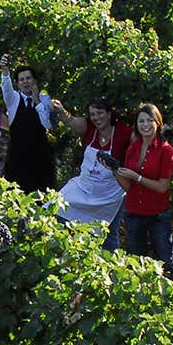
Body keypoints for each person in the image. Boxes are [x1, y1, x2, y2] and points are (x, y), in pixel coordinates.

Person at [52, 96, 132, 250]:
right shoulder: (89, 128)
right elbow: (70, 120)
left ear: (109, 114)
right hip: (85, 187)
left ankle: (112, 268)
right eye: (93, 114)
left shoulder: (124, 132)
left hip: (110, 194)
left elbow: (143, 144)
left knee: (108, 234)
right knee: (57, 207)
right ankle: (67, 251)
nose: (96, 117)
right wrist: (60, 110)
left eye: (100, 113)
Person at [115, 103, 173, 278]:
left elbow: (162, 186)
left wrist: (137, 177)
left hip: (158, 215)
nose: (145, 125)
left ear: (158, 123)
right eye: (141, 121)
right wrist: (116, 171)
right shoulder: (133, 148)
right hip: (134, 213)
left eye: (150, 120)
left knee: (167, 262)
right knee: (137, 263)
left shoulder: (166, 150)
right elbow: (128, 187)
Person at [0, 56, 56, 192]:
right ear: (18, 84)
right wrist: (5, 70)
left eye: (28, 78)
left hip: (41, 157)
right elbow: (6, 87)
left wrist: (36, 100)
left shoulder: (45, 99)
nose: (26, 82)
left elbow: (47, 125)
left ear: (34, 80)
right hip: (18, 156)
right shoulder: (13, 99)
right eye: (22, 80)